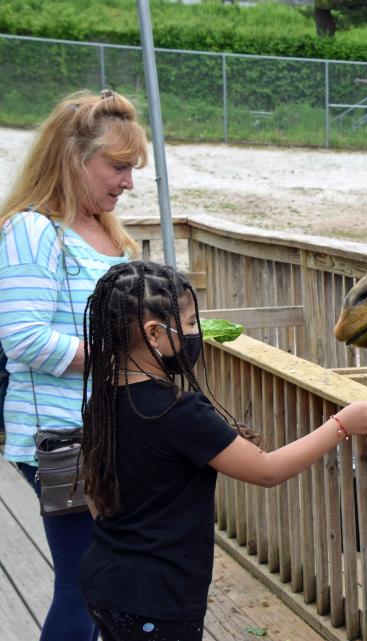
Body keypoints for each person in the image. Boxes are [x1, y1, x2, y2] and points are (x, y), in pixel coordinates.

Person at [78, 261, 367, 641]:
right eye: (190, 323)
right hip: (158, 598)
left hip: (105, 580)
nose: (197, 333)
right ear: (155, 333)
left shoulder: (103, 401)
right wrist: (341, 425)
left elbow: (95, 496)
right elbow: (266, 470)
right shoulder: (177, 411)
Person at [0, 88, 147, 641]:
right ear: (72, 159)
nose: (128, 183)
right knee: (84, 588)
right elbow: (23, 338)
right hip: (63, 439)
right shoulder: (32, 231)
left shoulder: (106, 231)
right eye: (117, 167)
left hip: (109, 433)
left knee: (106, 585)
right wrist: (129, 358)